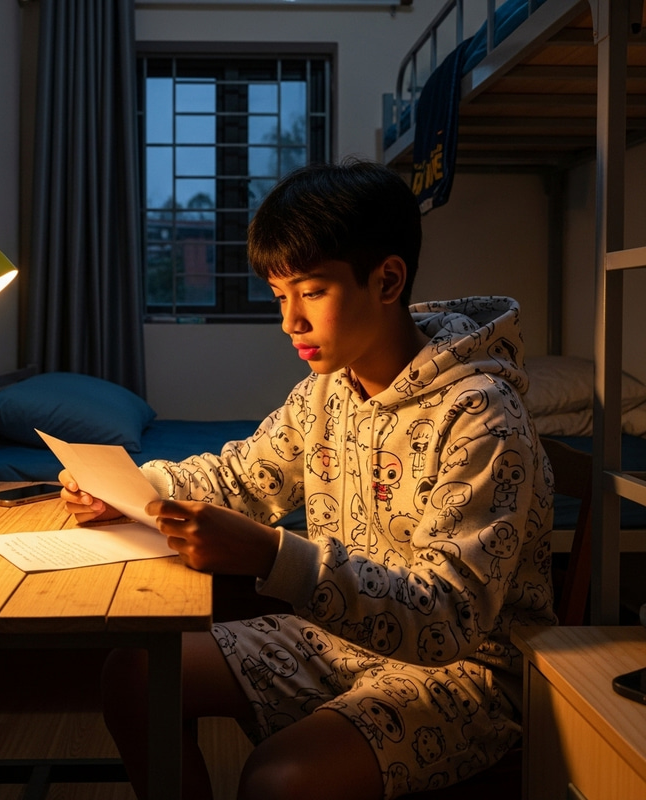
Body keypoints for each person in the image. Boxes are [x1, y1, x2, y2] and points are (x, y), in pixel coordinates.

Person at [59, 159, 557, 800]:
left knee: (278, 780)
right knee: (134, 676)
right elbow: (241, 476)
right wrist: (133, 487)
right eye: (279, 296)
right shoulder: (325, 392)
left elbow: (448, 619)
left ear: (387, 279)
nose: (289, 321)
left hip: (465, 671)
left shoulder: (481, 414)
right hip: (337, 635)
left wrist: (274, 556)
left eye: (312, 292)